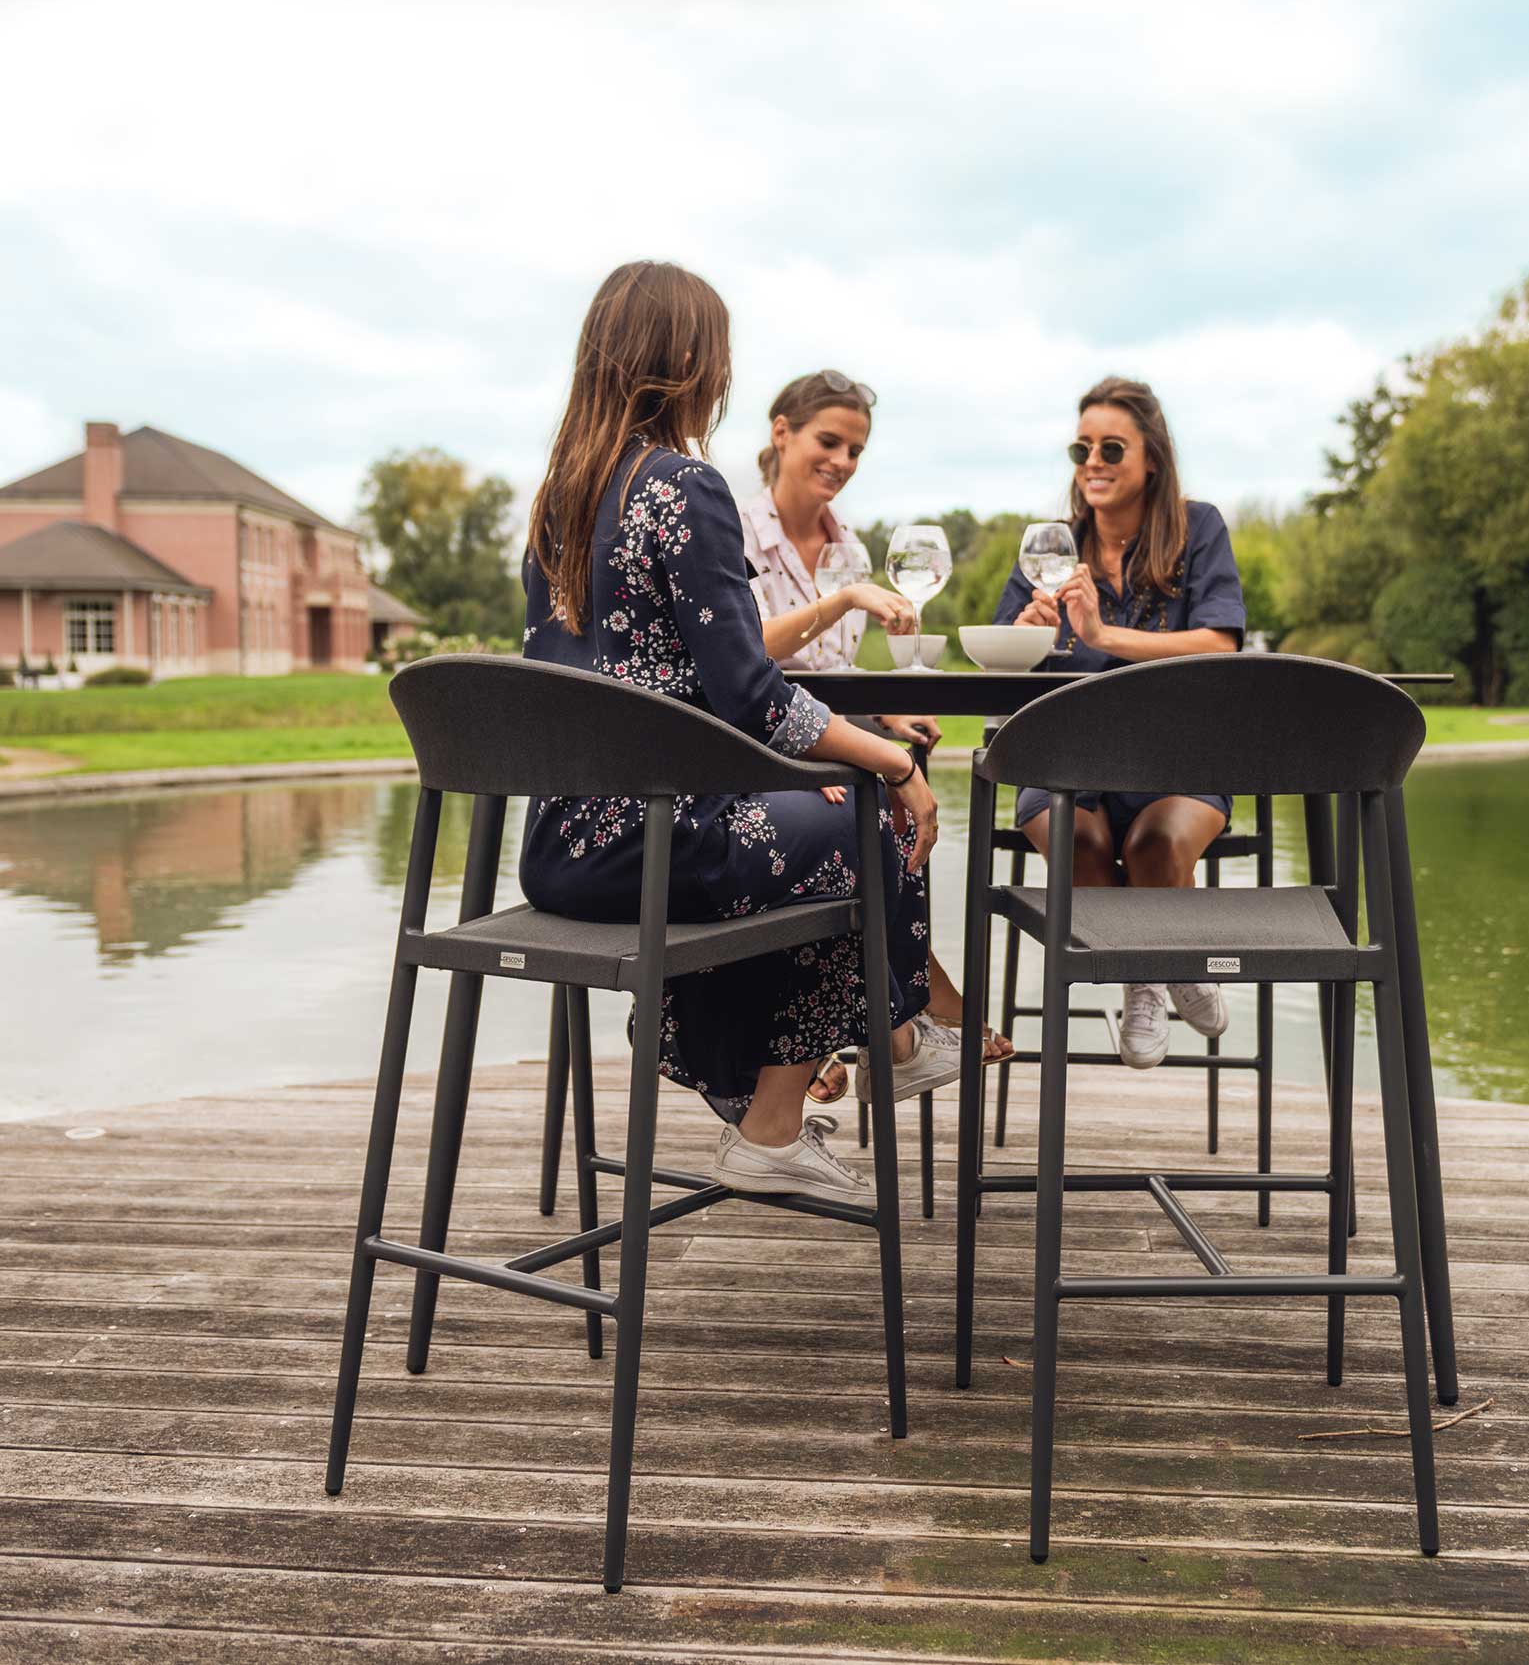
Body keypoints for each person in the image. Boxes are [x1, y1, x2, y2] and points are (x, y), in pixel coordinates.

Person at [518, 262, 960, 1205]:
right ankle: (845, 1074)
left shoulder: (558, 499)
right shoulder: (683, 487)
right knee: (863, 821)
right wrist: (889, 759)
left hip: (560, 849)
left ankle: (788, 1084)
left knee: (806, 816)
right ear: (692, 363)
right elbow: (753, 695)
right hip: (651, 842)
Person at [738, 368, 1014, 1103]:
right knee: (865, 807)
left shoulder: (850, 546)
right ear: (781, 432)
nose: (843, 462)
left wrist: (886, 714)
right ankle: (907, 1004)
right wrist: (843, 601)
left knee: (904, 762)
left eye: (856, 450)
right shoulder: (732, 529)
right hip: (758, 738)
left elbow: (833, 669)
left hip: (828, 731)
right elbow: (743, 654)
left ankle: (858, 1022)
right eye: (829, 441)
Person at [993, 375, 1247, 1069]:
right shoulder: (1051, 545)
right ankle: (1163, 972)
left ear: (1151, 459)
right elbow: (998, 663)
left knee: (1153, 845)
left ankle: (1156, 973)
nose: (1094, 462)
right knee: (1076, 839)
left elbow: (1218, 645)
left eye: (1112, 447)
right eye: (1082, 448)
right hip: (1064, 763)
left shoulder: (1199, 531)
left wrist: (1101, 633)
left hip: (1178, 763)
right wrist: (1027, 630)